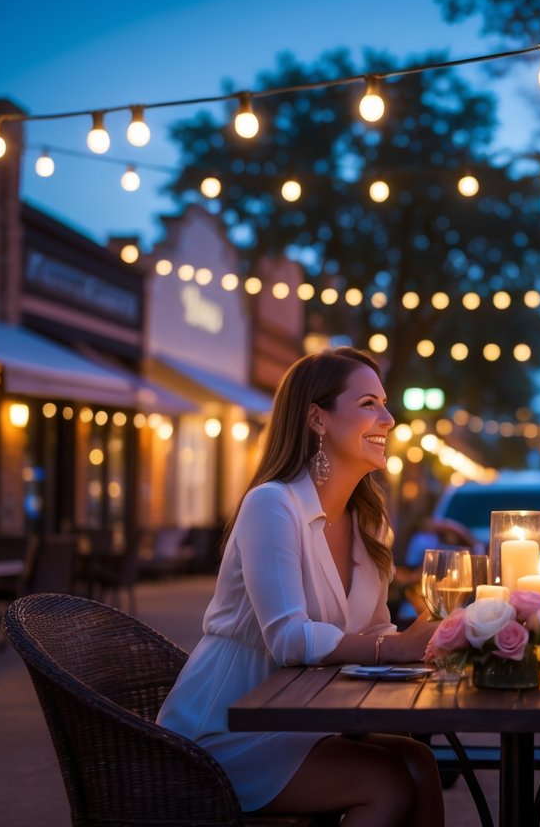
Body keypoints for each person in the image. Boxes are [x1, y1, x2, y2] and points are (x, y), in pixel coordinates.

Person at [157, 347, 443, 827]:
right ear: (318, 419)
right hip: (224, 730)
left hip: (308, 721)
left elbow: (374, 629)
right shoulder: (273, 505)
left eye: (385, 403)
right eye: (369, 403)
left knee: (420, 764)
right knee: (384, 781)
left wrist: (429, 640)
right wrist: (395, 647)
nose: (389, 419)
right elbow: (289, 639)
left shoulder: (371, 524)